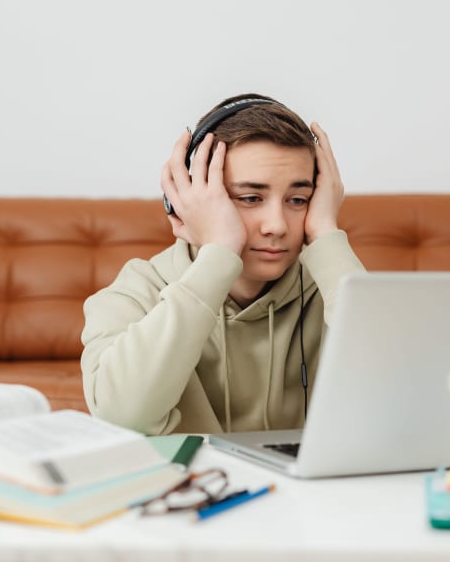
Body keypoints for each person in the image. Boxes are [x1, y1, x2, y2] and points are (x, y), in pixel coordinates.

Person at [81, 93, 365, 435]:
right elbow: (122, 418)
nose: (276, 225)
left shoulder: (333, 286)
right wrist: (219, 253)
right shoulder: (135, 293)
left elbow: (402, 399)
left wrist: (326, 234)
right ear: (184, 201)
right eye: (250, 198)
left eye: (297, 200)